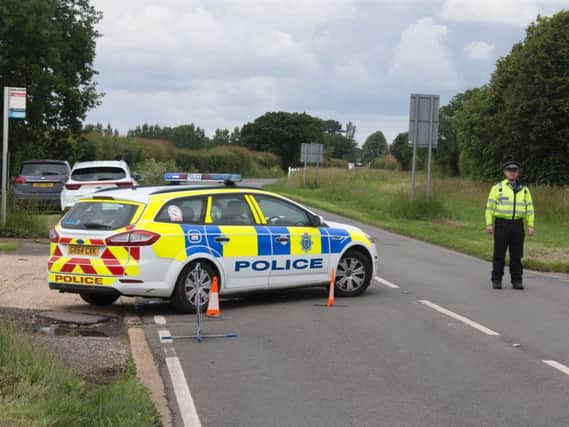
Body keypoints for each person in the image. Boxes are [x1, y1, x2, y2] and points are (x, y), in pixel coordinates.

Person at [485, 161, 535, 290]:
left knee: (517, 255)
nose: (512, 173)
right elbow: (489, 207)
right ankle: (496, 280)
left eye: (514, 171)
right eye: (509, 170)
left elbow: (529, 209)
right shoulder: (498, 187)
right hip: (502, 224)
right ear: (505, 172)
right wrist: (489, 223)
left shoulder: (524, 189)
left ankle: (517, 281)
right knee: (499, 254)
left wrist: (530, 225)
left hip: (517, 225)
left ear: (517, 173)